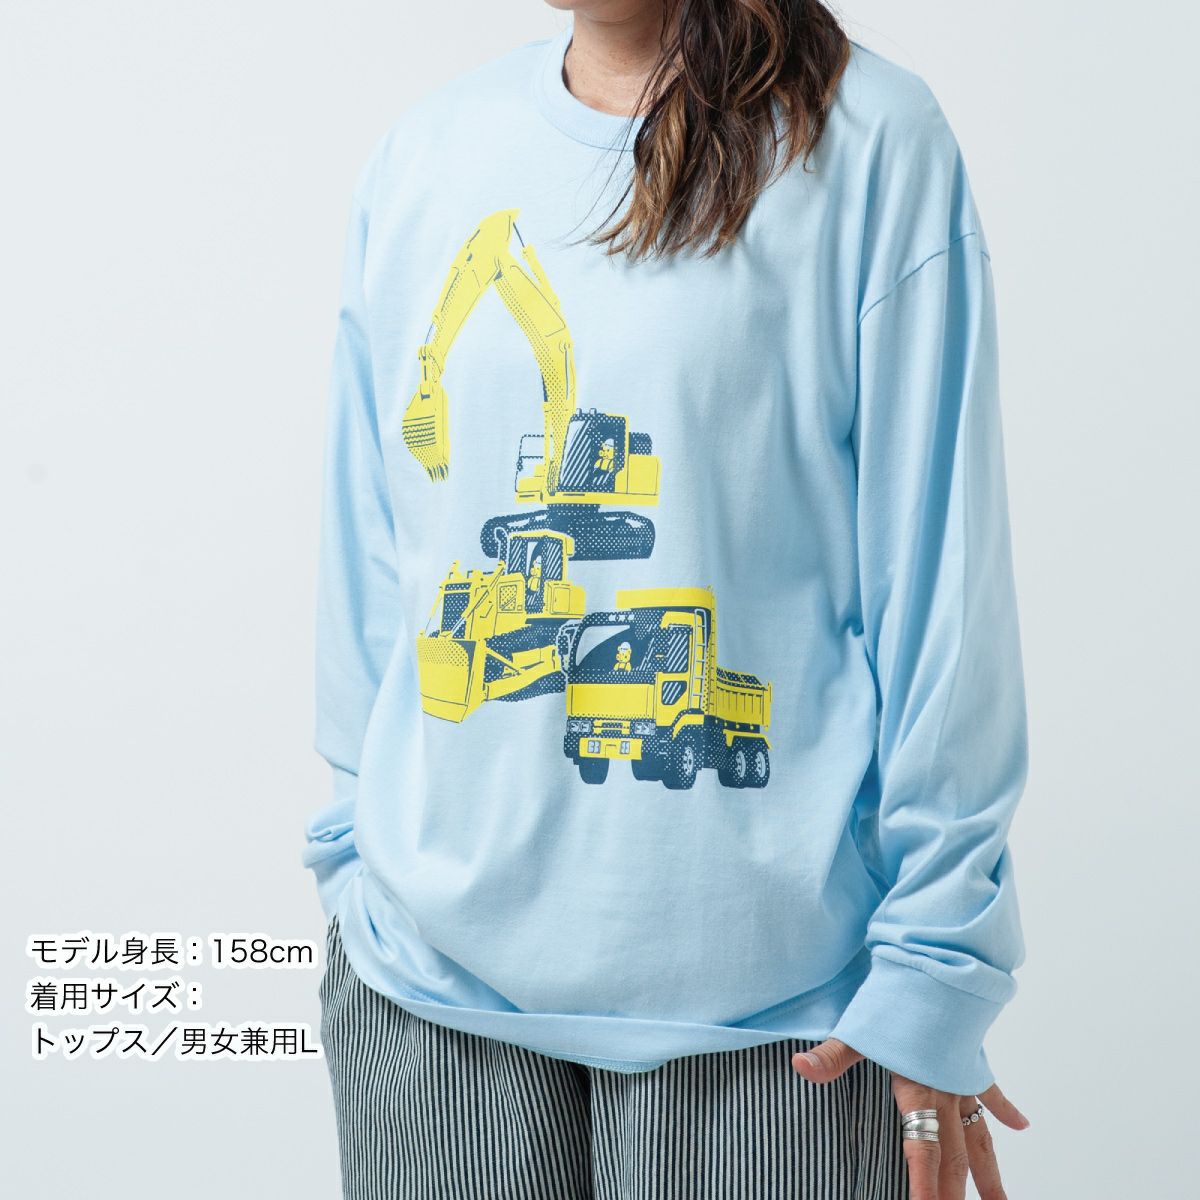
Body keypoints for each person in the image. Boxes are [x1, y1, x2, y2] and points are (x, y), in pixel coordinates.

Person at [305, 2, 1031, 1197]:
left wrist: (935, 962)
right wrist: (353, 853)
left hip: (777, 1031)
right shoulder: (429, 153)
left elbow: (940, 584)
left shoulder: (869, 141)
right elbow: (375, 555)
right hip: (424, 998)